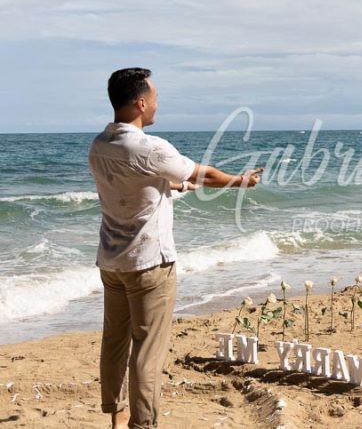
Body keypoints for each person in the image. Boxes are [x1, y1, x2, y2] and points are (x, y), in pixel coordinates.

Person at [88, 67, 263, 429]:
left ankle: (117, 417)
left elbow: (135, 184)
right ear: (140, 103)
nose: (156, 105)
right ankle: (143, 424)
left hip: (112, 261)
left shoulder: (100, 145)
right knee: (147, 350)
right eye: (154, 99)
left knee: (115, 341)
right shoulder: (150, 147)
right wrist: (241, 181)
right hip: (149, 262)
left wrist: (177, 187)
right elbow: (205, 174)